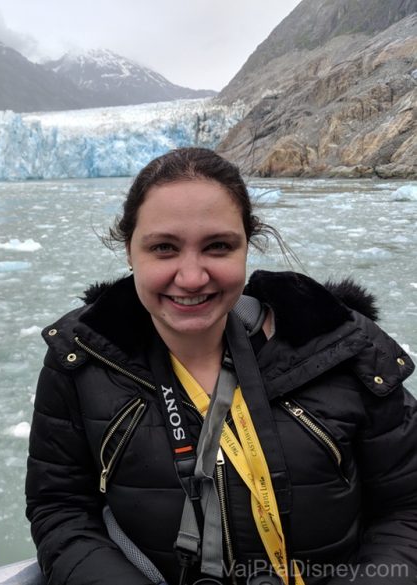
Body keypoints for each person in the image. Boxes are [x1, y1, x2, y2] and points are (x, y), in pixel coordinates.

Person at [25, 147, 417, 585]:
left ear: (247, 246)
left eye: (218, 246)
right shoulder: (81, 361)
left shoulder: (342, 347)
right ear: (130, 251)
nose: (191, 277)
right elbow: (60, 508)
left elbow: (407, 506)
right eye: (163, 248)